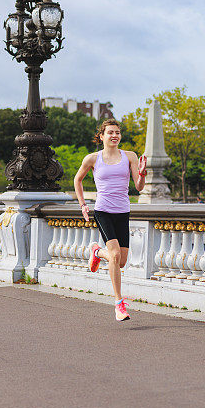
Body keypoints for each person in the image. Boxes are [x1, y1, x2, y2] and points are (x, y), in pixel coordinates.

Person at [74, 119, 146, 321]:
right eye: (110, 132)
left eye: (118, 132)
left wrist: (141, 173)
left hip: (123, 212)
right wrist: (83, 205)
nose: (115, 136)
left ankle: (96, 251)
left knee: (120, 262)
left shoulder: (129, 156)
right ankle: (118, 304)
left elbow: (139, 187)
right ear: (102, 136)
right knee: (114, 256)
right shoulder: (93, 159)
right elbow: (77, 179)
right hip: (103, 211)